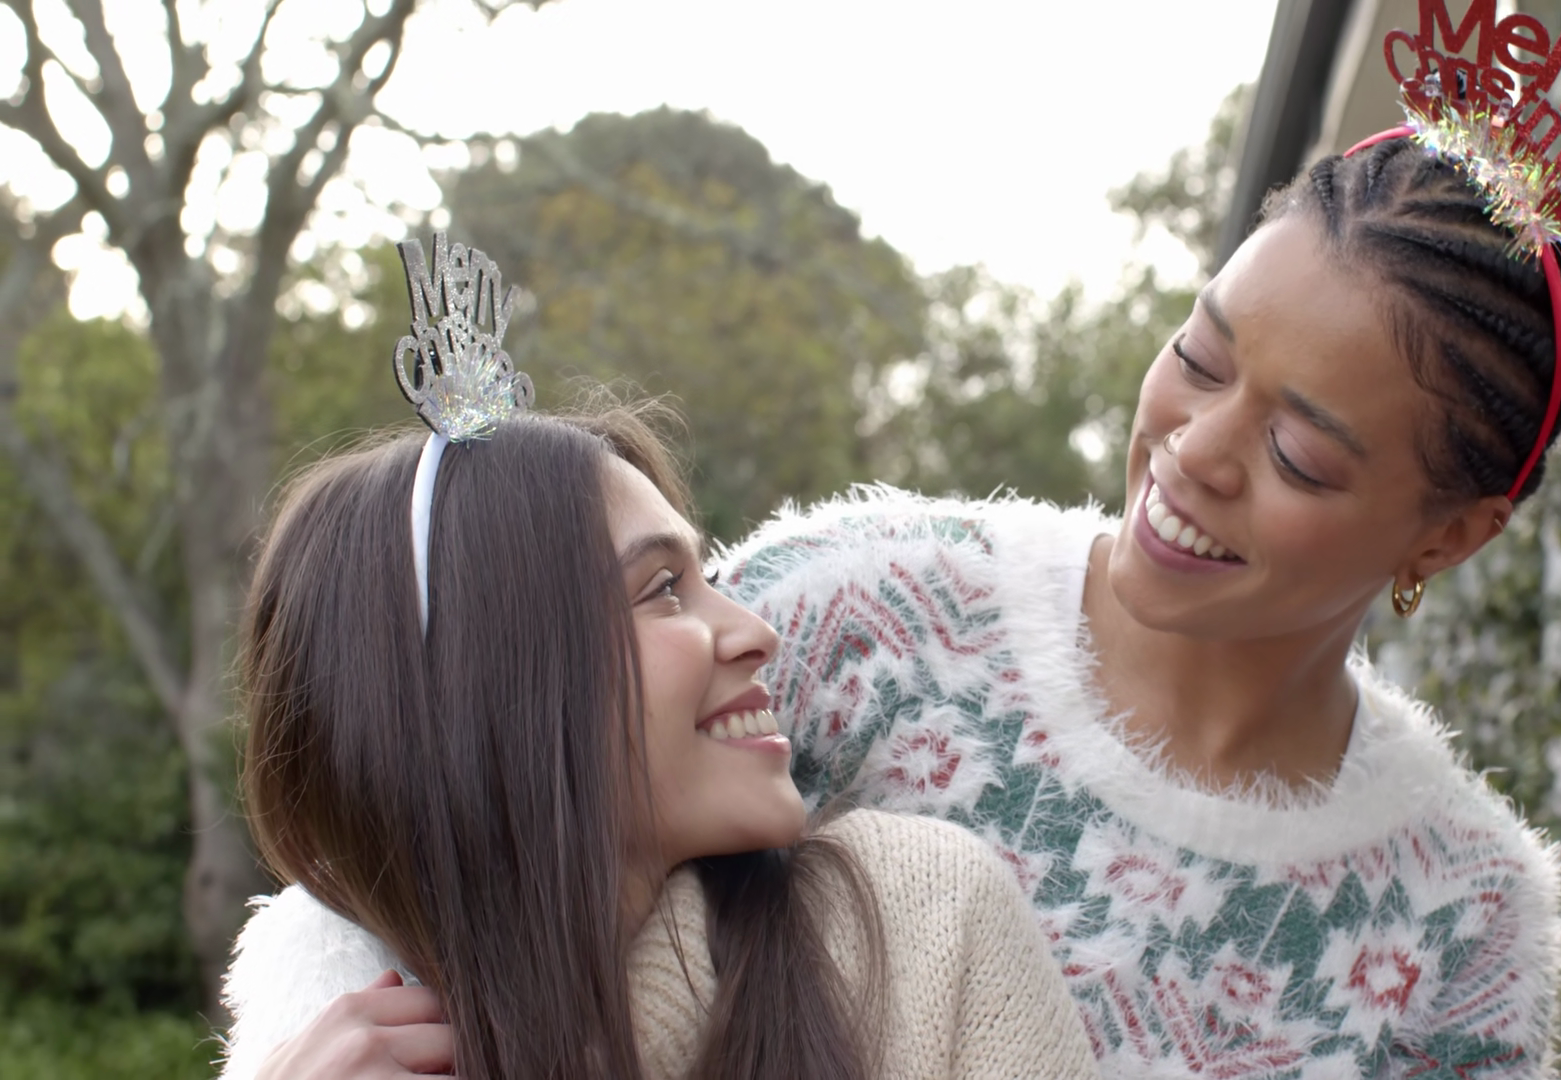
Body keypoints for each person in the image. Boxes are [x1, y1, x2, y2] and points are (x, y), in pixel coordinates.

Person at [235, 21, 1561, 1077]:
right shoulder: (866, 612)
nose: (1195, 449)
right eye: (1199, 359)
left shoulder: (1460, 917)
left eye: (1301, 457)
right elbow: (447, 810)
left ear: (1452, 532)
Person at [213, 233, 1097, 1080]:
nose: (755, 633)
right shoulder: (331, 1041)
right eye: (664, 589)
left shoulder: (920, 924)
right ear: (495, 695)